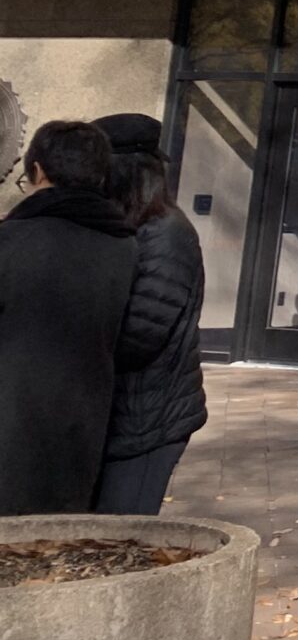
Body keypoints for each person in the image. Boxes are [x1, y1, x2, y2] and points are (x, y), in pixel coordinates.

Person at [0, 120, 139, 517]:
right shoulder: (122, 244)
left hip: (11, 422)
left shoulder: (12, 241)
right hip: (84, 423)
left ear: (38, 171)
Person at [93, 114, 208, 516]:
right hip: (118, 418)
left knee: (119, 534)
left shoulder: (166, 233)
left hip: (148, 422)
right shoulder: (124, 227)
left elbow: (141, 334)